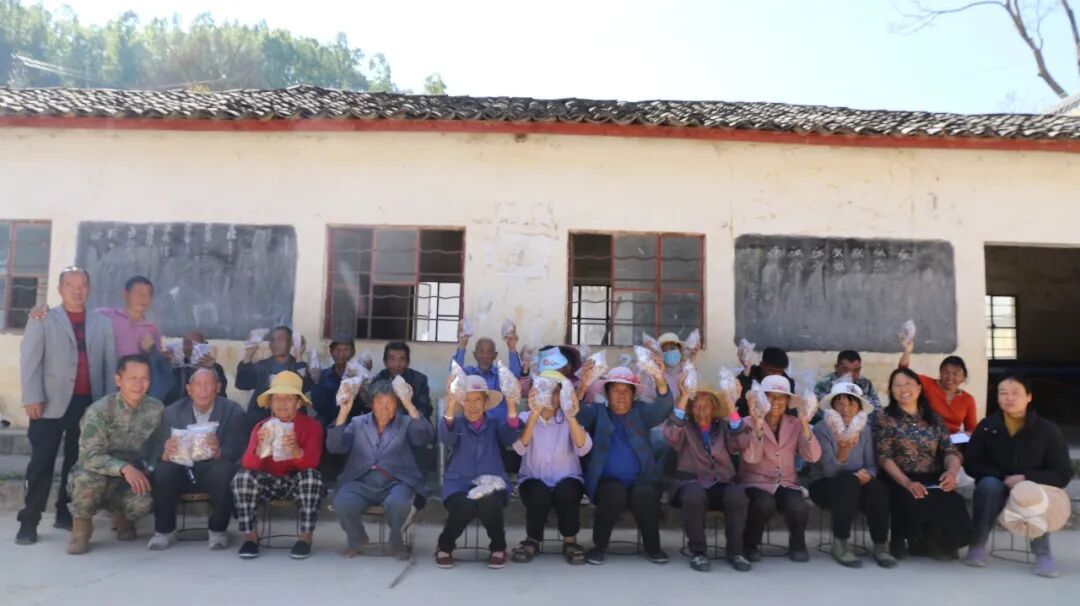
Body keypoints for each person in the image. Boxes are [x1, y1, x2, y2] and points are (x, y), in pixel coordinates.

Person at [16, 267, 117, 545]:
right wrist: (32, 396)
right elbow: (30, 360)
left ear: (89, 289)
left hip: (88, 405)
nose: (77, 290)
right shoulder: (43, 318)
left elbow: (110, 365)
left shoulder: (102, 323)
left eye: (82, 285)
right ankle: (29, 521)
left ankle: (66, 513)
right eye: (71, 285)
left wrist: (107, 404)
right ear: (60, 289)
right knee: (41, 463)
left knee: (78, 463)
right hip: (48, 403)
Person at [963, 375, 1072, 577]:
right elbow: (972, 463)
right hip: (997, 484)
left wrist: (1026, 478)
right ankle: (977, 544)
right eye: (1003, 393)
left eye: (1016, 393)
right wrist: (1002, 477)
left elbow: (1062, 473)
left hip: (1032, 487)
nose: (1009, 398)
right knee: (988, 485)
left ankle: (1043, 553)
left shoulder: (1047, 430)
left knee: (1031, 492)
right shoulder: (986, 426)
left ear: (1028, 397)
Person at [65, 354, 167, 555]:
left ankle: (123, 516)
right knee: (85, 481)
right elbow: (90, 455)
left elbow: (160, 445)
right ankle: (81, 527)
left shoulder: (156, 409)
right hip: (96, 472)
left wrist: (150, 467)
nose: (139, 384)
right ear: (118, 380)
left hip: (130, 476)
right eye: (132, 378)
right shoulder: (99, 410)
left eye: (144, 378)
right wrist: (124, 468)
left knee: (143, 502)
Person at [576, 364, 674, 566]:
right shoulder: (597, 413)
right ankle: (598, 546)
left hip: (642, 480)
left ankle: (653, 548)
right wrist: (583, 386)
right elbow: (575, 412)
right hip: (607, 482)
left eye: (626, 391)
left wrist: (659, 378)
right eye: (615, 390)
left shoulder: (641, 412)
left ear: (633, 395)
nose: (621, 396)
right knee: (614, 494)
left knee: (645, 495)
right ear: (607, 394)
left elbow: (663, 408)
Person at [328, 380, 434, 560]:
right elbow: (335, 447)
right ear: (371, 404)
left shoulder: (405, 422)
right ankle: (357, 538)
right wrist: (343, 412)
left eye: (390, 402)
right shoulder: (358, 423)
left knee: (399, 503)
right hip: (361, 481)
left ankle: (397, 543)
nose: (384, 408)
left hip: (396, 482)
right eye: (379, 402)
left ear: (397, 404)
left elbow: (424, 437)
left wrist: (408, 403)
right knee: (342, 502)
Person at [874, 367, 971, 560]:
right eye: (897, 385)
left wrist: (952, 473)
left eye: (908, 384)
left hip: (931, 475)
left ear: (919, 388)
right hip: (898, 477)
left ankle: (940, 543)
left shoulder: (934, 418)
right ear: (891, 391)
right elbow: (884, 456)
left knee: (952, 501)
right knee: (910, 497)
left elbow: (949, 450)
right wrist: (907, 483)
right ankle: (908, 540)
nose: (904, 389)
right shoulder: (884, 417)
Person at [664, 377, 759, 572]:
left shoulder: (723, 427)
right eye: (697, 405)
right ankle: (698, 552)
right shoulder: (684, 426)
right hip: (690, 483)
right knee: (694, 495)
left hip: (720, 482)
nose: (702, 410)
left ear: (715, 408)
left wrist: (730, 404)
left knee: (737, 494)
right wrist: (684, 397)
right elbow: (672, 435)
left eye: (707, 405)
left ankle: (736, 552)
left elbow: (741, 442)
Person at [148, 368, 247, 551]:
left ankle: (217, 530)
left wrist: (220, 451)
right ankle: (164, 531)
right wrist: (165, 452)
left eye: (208, 384)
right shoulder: (172, 412)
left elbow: (238, 445)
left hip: (212, 470)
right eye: (198, 385)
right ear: (189, 389)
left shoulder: (233, 410)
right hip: (181, 470)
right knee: (164, 470)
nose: (203, 390)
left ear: (218, 387)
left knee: (224, 470)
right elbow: (157, 448)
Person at [231, 371, 324, 560]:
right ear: (271, 403)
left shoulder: (312, 426)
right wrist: (261, 447)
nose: (282, 403)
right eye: (276, 398)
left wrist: (296, 450)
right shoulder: (261, 427)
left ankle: (305, 538)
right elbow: (248, 464)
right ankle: (250, 538)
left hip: (295, 483)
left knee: (312, 478)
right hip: (268, 482)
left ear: (298, 403)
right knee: (242, 478)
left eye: (288, 398)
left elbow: (312, 463)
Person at [435, 375, 521, 569]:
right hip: (458, 483)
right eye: (466, 400)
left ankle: (498, 547)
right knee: (464, 505)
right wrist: (450, 405)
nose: (472, 405)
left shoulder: (495, 423)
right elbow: (446, 438)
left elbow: (509, 437)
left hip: (492, 483)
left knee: (489, 502)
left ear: (485, 402)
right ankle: (444, 547)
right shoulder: (456, 423)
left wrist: (511, 406)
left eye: (477, 400)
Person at [808, 382, 895, 568]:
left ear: (859, 407)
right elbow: (830, 471)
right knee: (847, 483)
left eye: (851, 403)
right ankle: (840, 543)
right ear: (833, 406)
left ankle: (880, 545)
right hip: (825, 484)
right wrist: (843, 451)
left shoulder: (864, 429)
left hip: (856, 483)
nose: (845, 408)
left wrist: (868, 475)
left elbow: (871, 465)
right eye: (840, 403)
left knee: (877, 488)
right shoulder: (822, 429)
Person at [510, 370, 592, 565]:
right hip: (533, 480)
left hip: (568, 479)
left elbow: (583, 448)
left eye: (555, 392)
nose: (550, 396)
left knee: (567, 490)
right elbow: (519, 448)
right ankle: (532, 540)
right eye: (544, 390)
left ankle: (570, 540)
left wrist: (571, 416)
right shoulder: (524, 418)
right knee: (538, 492)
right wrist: (534, 415)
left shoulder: (569, 417)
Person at [738, 375, 821, 563]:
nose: (776, 402)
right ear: (762, 399)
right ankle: (750, 544)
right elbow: (751, 458)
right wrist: (758, 425)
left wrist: (805, 424)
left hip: (786, 482)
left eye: (781, 397)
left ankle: (798, 545)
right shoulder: (747, 422)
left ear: (788, 401)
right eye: (770, 396)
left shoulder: (794, 423)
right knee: (764, 503)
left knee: (798, 505)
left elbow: (813, 456)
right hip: (755, 482)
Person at [95, 276, 174, 401]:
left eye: (148, 295)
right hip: (104, 387)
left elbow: (155, 366)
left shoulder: (151, 329)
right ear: (125, 294)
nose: (143, 299)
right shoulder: (105, 316)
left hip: (134, 393)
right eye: (139, 293)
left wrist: (154, 352)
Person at [236, 326, 314, 436]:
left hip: (290, 419)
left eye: (280, 339)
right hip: (261, 418)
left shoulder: (299, 365)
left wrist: (298, 357)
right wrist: (249, 354)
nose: (275, 343)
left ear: (291, 343)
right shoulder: (262, 366)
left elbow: (305, 387)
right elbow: (242, 384)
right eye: (272, 340)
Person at [897, 333, 976, 435]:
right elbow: (904, 373)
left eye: (955, 374)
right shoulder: (927, 384)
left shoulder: (968, 399)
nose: (950, 377)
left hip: (953, 441)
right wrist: (907, 351)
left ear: (963, 378)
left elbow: (972, 429)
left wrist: (966, 435)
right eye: (946, 372)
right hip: (926, 437)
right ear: (940, 373)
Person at [452, 323, 522, 421]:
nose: (485, 356)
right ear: (475, 354)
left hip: (499, 426)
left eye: (489, 352)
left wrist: (512, 347)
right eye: (481, 351)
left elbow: (514, 378)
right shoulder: (468, 374)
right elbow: (454, 375)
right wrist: (462, 345)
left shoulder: (501, 375)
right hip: (473, 426)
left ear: (495, 355)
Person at [311, 336, 367, 426]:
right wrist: (315, 384)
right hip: (328, 417)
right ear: (331, 352)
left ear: (353, 352)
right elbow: (317, 405)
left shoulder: (360, 375)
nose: (341, 353)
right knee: (316, 424)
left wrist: (362, 393)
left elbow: (367, 406)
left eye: (346, 350)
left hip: (352, 418)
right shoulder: (323, 375)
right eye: (337, 350)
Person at [371, 341, 434, 419]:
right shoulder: (379, 379)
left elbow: (425, 410)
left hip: (411, 422)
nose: (397, 364)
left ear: (408, 362)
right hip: (385, 423)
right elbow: (371, 410)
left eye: (402, 359)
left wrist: (407, 404)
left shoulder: (419, 380)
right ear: (385, 362)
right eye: (392, 359)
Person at [163, 330, 228, 404]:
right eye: (187, 343)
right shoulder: (175, 366)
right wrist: (162, 364)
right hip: (176, 408)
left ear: (204, 346)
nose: (190, 347)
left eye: (195, 344)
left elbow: (221, 396)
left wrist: (213, 369)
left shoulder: (215, 368)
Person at [735, 345, 795, 417]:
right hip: (748, 419)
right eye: (772, 371)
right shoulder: (749, 374)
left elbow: (791, 411)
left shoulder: (787, 382)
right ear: (762, 365)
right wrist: (746, 371)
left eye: (779, 372)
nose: (776, 375)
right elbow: (737, 401)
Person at [813, 350, 881, 409]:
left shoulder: (865, 383)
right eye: (845, 370)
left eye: (856, 370)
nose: (851, 374)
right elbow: (819, 409)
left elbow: (876, 405)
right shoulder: (824, 384)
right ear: (836, 368)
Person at [640, 332, 685, 402]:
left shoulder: (688, 372)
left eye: (672, 348)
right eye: (664, 350)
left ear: (680, 350)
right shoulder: (654, 375)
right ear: (660, 354)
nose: (669, 352)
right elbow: (646, 398)